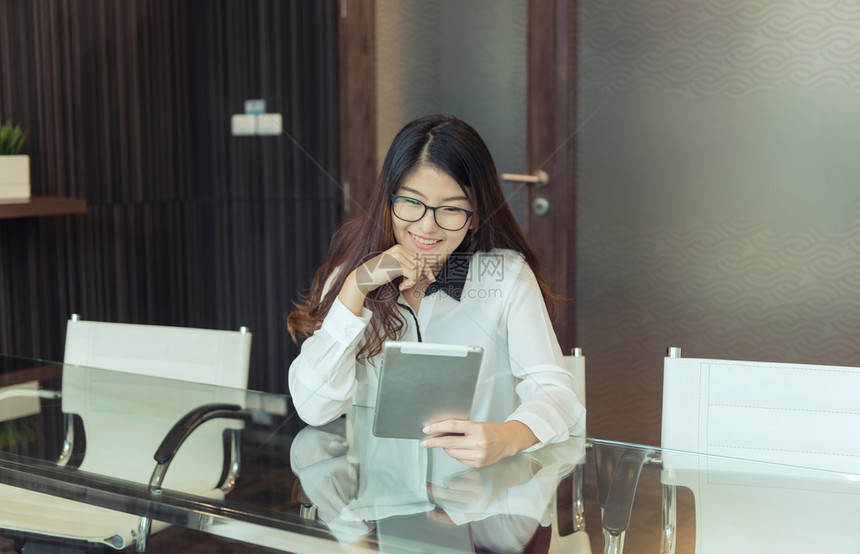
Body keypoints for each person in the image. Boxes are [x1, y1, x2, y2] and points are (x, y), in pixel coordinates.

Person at [288, 114, 584, 468]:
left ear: (475, 215)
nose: (427, 226)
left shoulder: (505, 276)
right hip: (382, 503)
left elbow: (557, 394)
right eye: (412, 202)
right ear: (388, 200)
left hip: (480, 500)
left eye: (451, 208)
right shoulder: (354, 277)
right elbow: (313, 408)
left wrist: (506, 437)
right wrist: (355, 287)